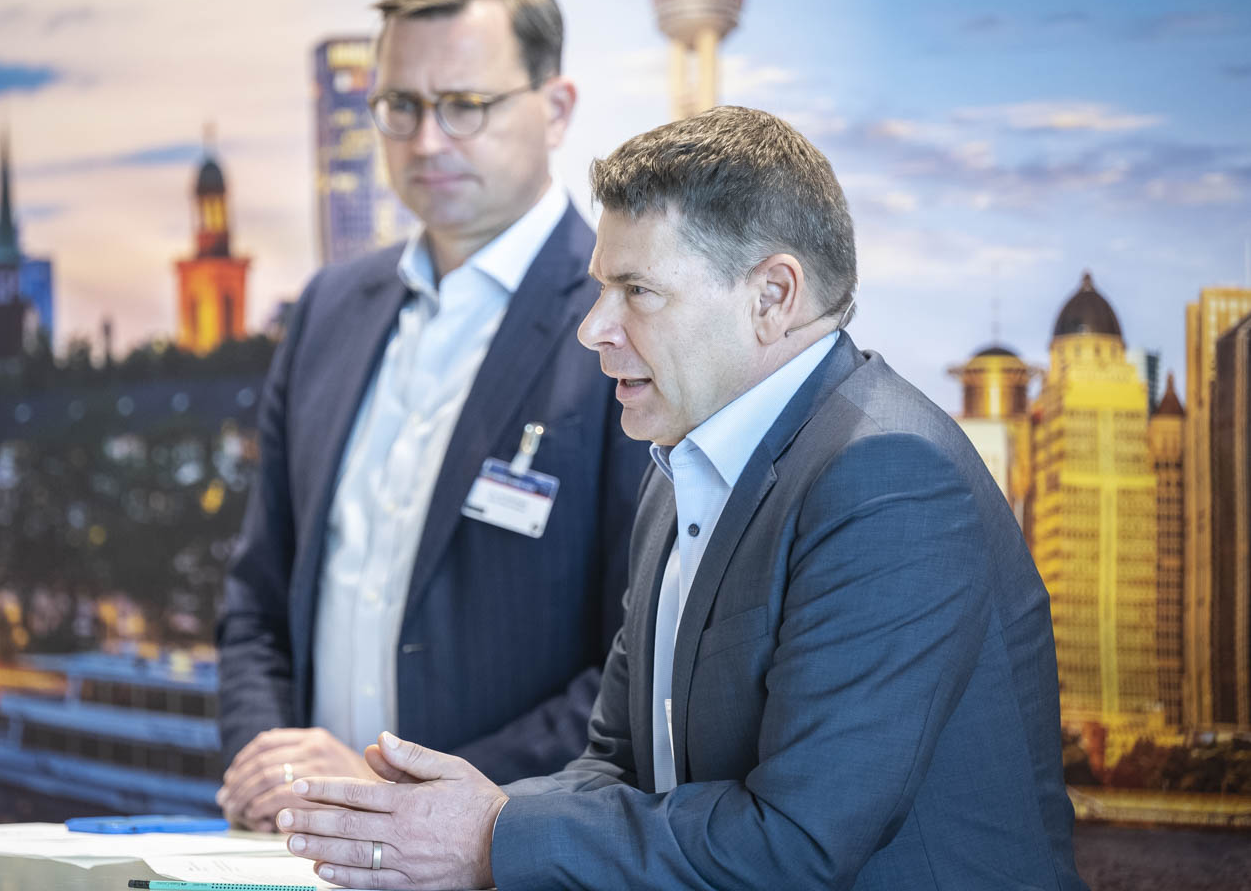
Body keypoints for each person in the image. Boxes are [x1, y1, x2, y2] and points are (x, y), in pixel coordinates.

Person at [276, 106, 1087, 890]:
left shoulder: (889, 478)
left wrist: (492, 836)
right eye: (602, 288)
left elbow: (796, 845)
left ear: (773, 296)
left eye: (637, 290)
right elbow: (617, 767)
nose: (595, 328)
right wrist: (449, 821)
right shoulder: (679, 470)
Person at [214, 0, 648, 833]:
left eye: (465, 105)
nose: (426, 142)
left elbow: (638, 665)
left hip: (504, 855)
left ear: (556, 109)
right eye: (401, 106)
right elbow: (256, 601)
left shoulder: (627, 321)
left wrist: (419, 801)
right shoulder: (327, 310)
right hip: (301, 849)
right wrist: (273, 767)